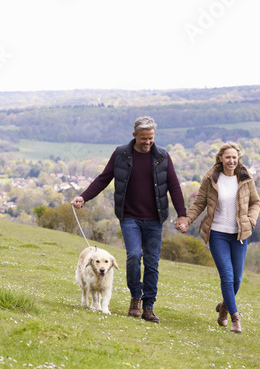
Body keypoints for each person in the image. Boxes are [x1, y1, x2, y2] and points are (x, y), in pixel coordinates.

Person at [71, 116, 187, 323]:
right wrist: (84, 196)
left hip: (155, 219)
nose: (148, 142)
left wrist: (182, 215)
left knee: (152, 263)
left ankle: (148, 307)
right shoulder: (121, 154)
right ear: (134, 136)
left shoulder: (162, 156)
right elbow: (104, 178)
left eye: (151, 138)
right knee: (134, 255)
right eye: (143, 138)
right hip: (130, 216)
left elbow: (174, 186)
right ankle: (135, 299)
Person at [177, 142, 260, 334]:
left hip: (239, 234)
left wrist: (251, 220)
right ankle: (235, 317)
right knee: (227, 276)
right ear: (220, 159)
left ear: (238, 159)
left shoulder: (246, 178)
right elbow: (199, 203)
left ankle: (223, 307)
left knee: (237, 279)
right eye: (227, 157)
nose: (231, 161)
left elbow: (255, 202)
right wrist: (187, 221)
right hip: (217, 234)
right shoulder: (211, 179)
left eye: (234, 157)